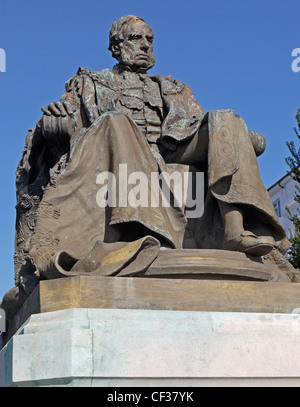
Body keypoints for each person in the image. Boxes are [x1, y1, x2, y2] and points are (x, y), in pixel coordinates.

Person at [14, 15, 286, 291]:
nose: (145, 45)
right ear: (116, 47)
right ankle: (142, 235)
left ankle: (234, 227)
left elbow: (197, 124)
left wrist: (237, 134)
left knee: (225, 118)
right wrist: (57, 121)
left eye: (149, 39)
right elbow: (69, 121)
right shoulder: (88, 83)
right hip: (118, 155)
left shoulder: (173, 89)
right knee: (116, 122)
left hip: (171, 152)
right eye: (135, 38)